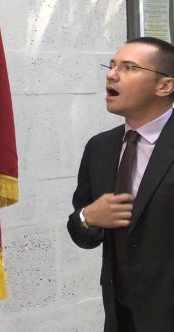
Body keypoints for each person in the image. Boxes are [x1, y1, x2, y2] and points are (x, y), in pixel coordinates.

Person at [68, 37, 174, 331]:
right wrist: (88, 218)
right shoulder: (100, 147)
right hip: (122, 314)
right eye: (112, 66)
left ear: (165, 86)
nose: (112, 75)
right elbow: (82, 234)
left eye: (129, 68)